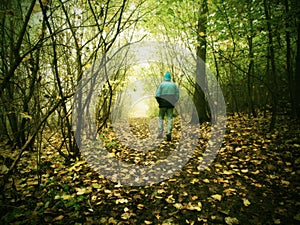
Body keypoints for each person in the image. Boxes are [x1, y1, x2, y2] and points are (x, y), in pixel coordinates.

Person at [155, 71, 179, 141]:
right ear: (170, 78)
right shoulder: (174, 85)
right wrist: (173, 101)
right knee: (170, 119)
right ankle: (169, 133)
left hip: (162, 105)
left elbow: (157, 95)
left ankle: (160, 133)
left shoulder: (161, 85)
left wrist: (160, 102)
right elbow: (177, 96)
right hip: (170, 104)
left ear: (164, 77)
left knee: (160, 118)